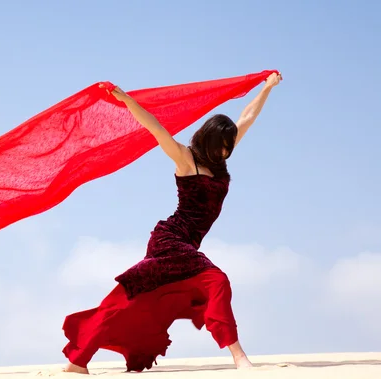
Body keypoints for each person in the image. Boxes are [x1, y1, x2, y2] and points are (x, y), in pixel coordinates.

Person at [61, 72, 282, 374]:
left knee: (134, 299)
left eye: (229, 147)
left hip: (187, 243)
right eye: (221, 146)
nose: (226, 152)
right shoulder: (184, 158)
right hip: (170, 239)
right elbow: (155, 127)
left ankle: (77, 362)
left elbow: (247, 117)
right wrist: (127, 100)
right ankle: (239, 356)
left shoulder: (220, 161)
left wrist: (266, 88)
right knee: (217, 281)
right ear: (208, 140)